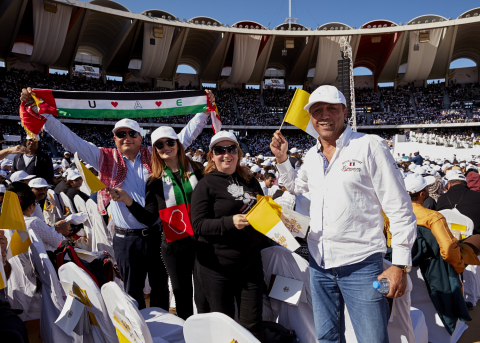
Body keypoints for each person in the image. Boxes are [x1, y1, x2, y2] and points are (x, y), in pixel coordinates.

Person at [21, 87, 214, 310]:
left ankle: (165, 331)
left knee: (161, 287)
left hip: (157, 235)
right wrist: (42, 112)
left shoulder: (155, 155)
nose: (127, 138)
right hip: (126, 239)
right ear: (114, 138)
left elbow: (183, 138)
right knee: (132, 290)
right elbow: (69, 139)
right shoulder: (103, 158)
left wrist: (205, 110)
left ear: (141, 137)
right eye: (121, 134)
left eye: (132, 134)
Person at [270, 85, 416, 342]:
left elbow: (399, 207)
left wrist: (400, 264)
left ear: (344, 112)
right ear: (311, 118)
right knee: (326, 338)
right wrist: (282, 160)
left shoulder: (369, 145)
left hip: (361, 264)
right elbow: (296, 186)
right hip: (319, 264)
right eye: (317, 110)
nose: (324, 115)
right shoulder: (312, 156)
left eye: (331, 109)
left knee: (372, 339)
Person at [109, 126, 204, 320]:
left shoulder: (199, 171)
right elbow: (148, 218)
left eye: (170, 142)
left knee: (203, 294)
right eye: (159, 145)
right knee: (182, 295)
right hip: (175, 246)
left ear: (178, 144)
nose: (165, 147)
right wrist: (128, 200)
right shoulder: (154, 181)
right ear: (155, 150)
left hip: (202, 242)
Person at [191, 131, 266, 341]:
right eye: (220, 150)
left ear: (238, 153)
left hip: (250, 265)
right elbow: (197, 225)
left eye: (231, 149)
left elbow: (262, 210)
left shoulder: (250, 180)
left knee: (252, 324)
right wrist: (230, 222)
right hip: (217, 268)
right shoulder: (205, 185)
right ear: (212, 156)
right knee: (224, 325)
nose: (226, 154)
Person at [437, 170, 480, 235]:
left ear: (450, 184)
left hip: (447, 236)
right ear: (466, 184)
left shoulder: (441, 198)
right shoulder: (477, 196)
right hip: (473, 237)